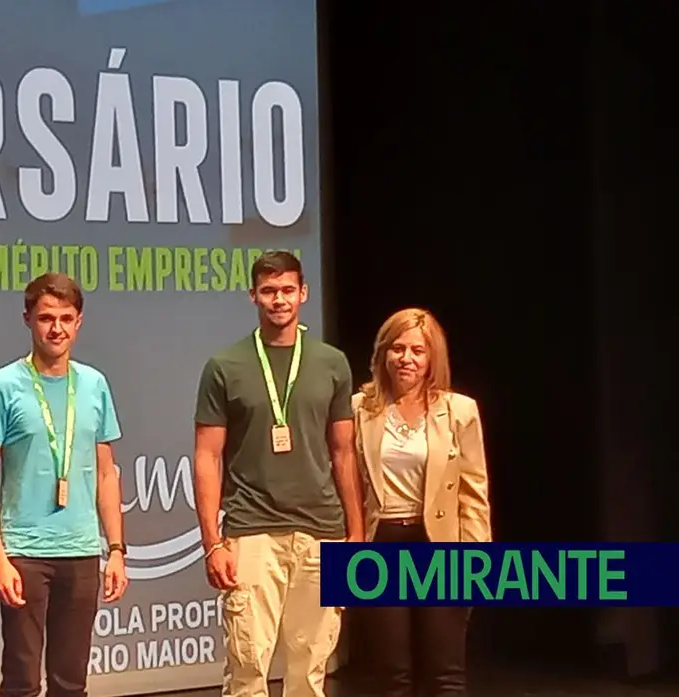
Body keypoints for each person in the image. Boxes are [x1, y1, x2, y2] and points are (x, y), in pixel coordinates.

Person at [192, 250, 363, 697]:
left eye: (288, 290)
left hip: (323, 531)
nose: (279, 299)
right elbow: (207, 457)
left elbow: (344, 452)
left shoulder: (332, 363)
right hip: (251, 531)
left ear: (303, 293)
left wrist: (356, 534)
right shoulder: (224, 366)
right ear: (253, 296)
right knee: (248, 669)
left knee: (311, 672)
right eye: (268, 291)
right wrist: (213, 542)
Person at [0, 271, 129, 697]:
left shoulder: (94, 385)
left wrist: (115, 549)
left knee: (70, 683)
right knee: (21, 682)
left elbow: (106, 471)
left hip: (80, 553)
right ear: (28, 320)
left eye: (65, 317)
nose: (55, 328)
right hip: (24, 554)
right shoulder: (2, 386)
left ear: (79, 323)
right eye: (45, 318)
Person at [351, 308, 491, 697]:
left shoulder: (459, 410)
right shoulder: (359, 408)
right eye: (398, 348)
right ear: (384, 353)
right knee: (390, 673)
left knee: (445, 673)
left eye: (417, 350)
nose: (406, 358)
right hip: (380, 545)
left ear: (432, 358)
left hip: (439, 544)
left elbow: (474, 491)